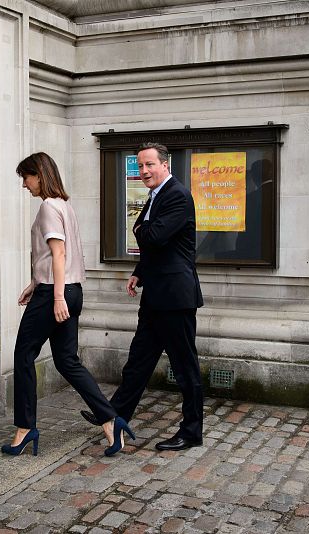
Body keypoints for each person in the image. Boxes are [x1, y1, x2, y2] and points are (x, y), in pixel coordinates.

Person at [3, 152, 135, 458]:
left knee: (23, 355)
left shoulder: (49, 206)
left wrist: (54, 295)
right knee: (66, 360)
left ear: (39, 174)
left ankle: (25, 428)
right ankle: (109, 420)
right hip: (71, 289)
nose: (25, 185)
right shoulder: (66, 206)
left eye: (27, 177)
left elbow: (59, 254)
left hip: (56, 294)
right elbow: (56, 258)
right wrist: (35, 283)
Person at [80, 142, 205, 451]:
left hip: (175, 298)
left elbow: (153, 236)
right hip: (156, 296)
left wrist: (138, 224)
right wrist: (140, 271)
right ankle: (115, 414)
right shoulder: (155, 196)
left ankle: (191, 431)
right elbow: (156, 246)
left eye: (150, 164)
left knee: (185, 367)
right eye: (140, 166)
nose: (144, 171)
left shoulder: (177, 195)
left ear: (165, 165)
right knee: (138, 362)